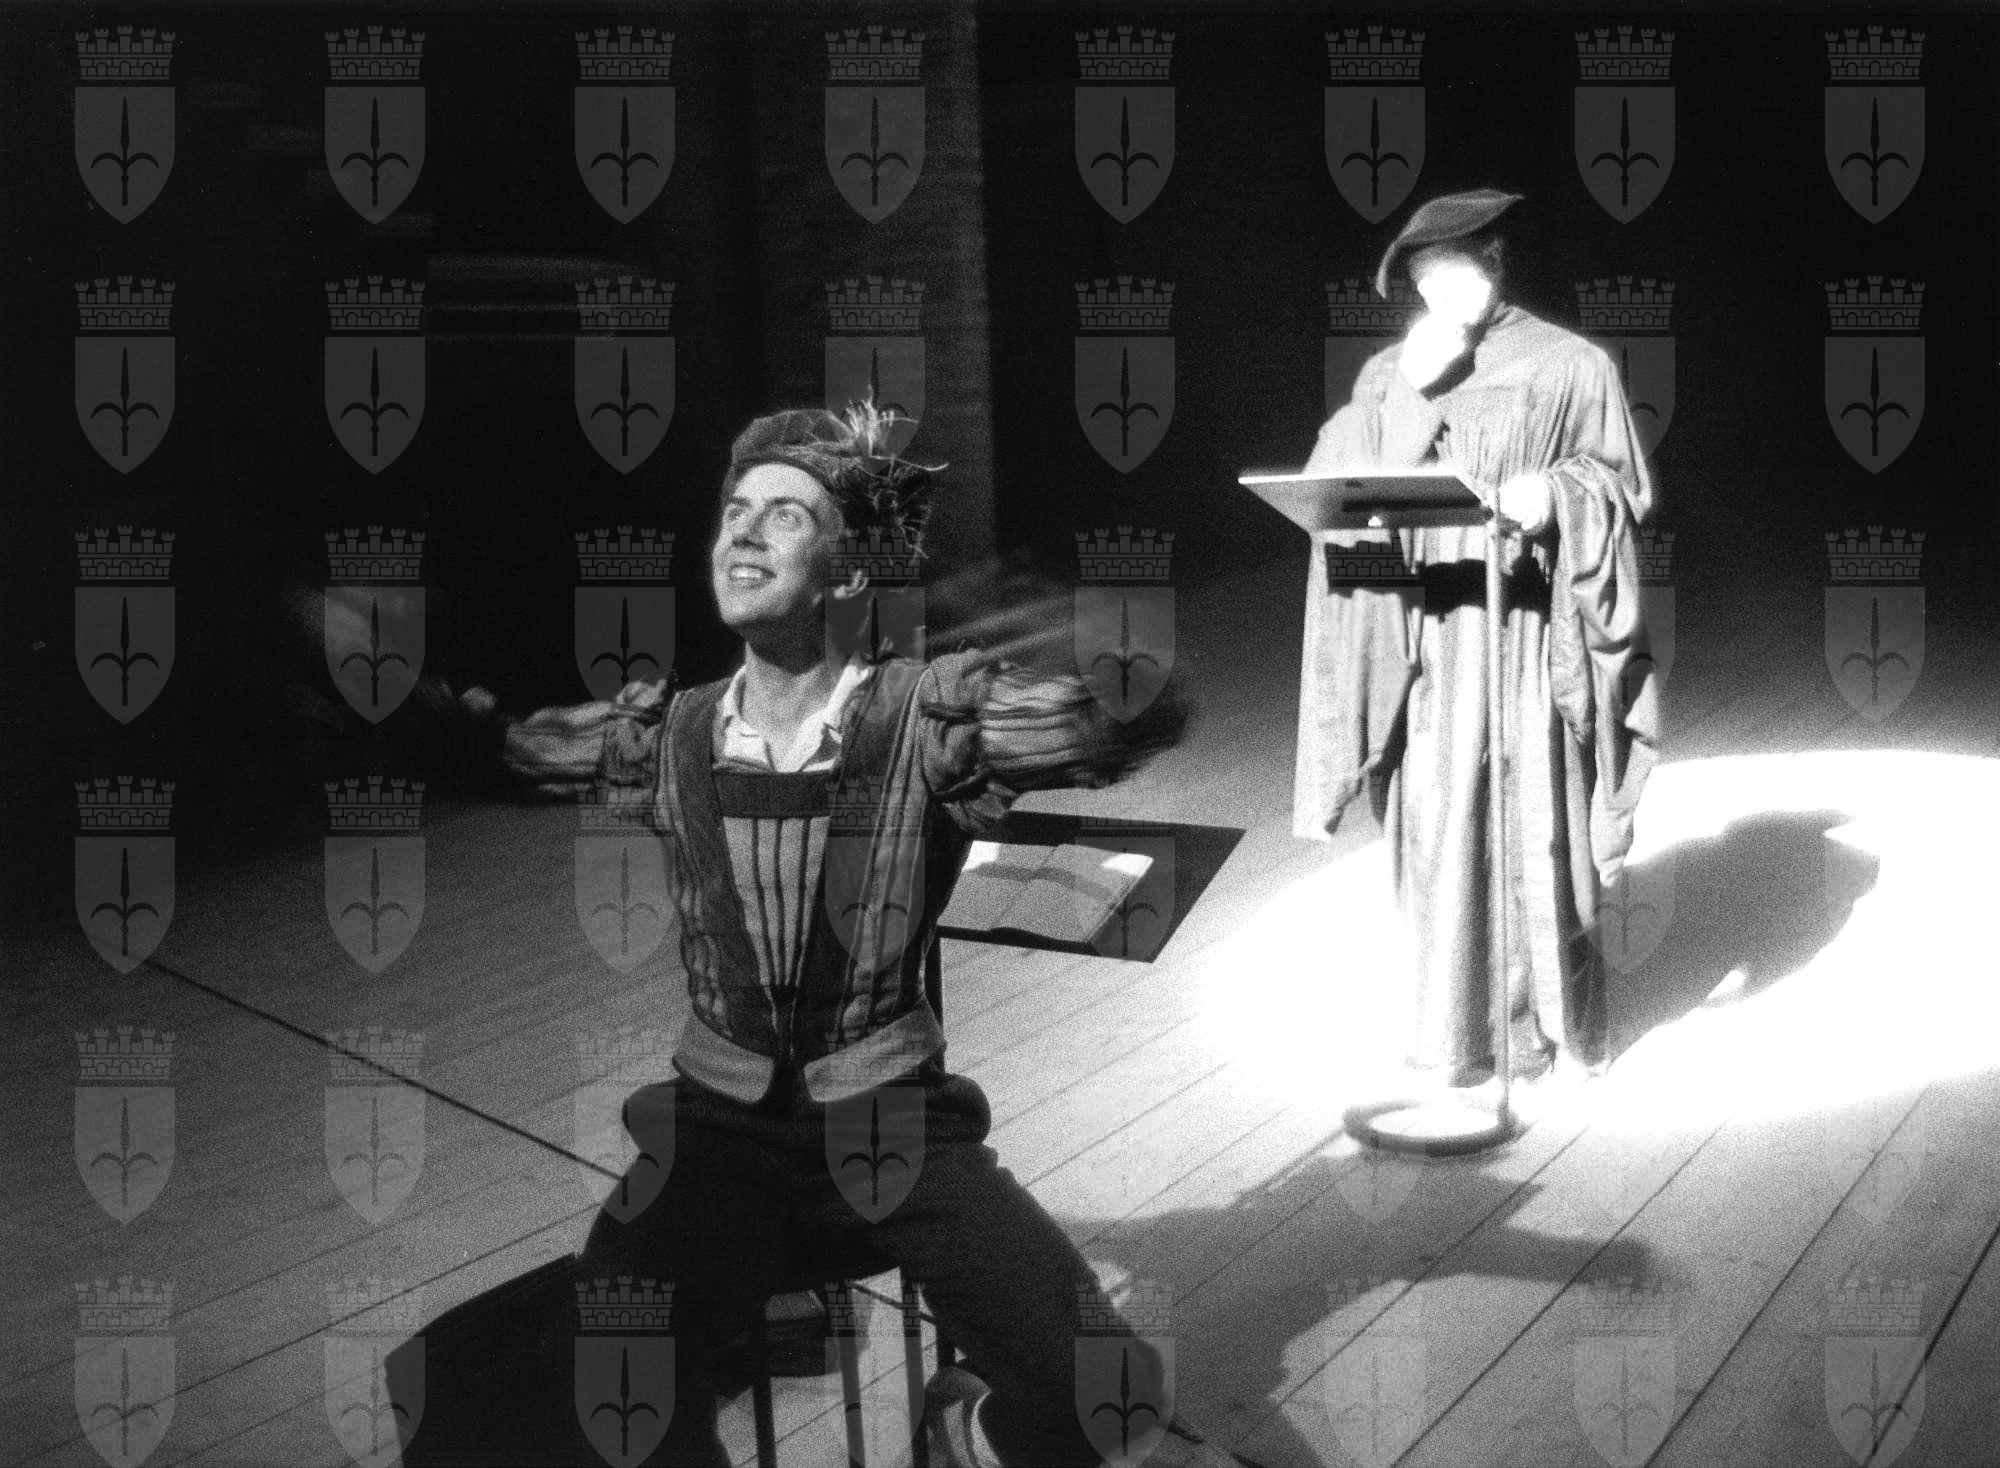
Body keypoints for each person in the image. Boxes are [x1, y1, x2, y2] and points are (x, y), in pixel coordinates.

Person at [471, 402, 1205, 1466]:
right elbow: (512, 753)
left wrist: (1038, 621)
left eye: (785, 514)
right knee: (600, 1389)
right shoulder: (669, 733)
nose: (743, 530)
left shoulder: (925, 720)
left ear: (847, 570)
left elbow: (1132, 720)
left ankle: (965, 1426)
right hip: (715, 1129)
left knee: (1108, 1393)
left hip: (891, 1120)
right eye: (735, 510)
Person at [1295, 188, 1659, 1086]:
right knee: (1435, 818)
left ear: (1493, 262)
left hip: (1527, 629)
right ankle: (1457, 1034)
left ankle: (1539, 1030)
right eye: (1422, 284)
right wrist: (1410, 391)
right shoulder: (1391, 370)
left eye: (1450, 275)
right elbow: (1335, 498)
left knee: (1535, 817)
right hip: (1426, 631)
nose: (1436, 298)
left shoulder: (1569, 364)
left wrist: (1557, 494)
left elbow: (1621, 488)